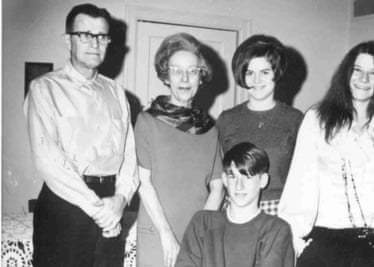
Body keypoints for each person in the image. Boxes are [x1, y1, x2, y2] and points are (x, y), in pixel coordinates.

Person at [278, 40, 374, 266]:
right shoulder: (317, 120)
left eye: (373, 73)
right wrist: (294, 235)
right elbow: (300, 180)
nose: (364, 79)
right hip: (329, 241)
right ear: (346, 74)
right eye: (358, 70)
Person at [24, 3, 139, 267]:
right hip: (66, 202)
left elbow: (129, 154)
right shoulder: (44, 89)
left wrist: (121, 200)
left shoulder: (116, 93)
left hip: (112, 203)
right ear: (68, 41)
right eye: (85, 35)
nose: (94, 43)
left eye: (102, 36)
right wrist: (99, 210)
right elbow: (48, 161)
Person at [134, 32, 225, 267]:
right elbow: (143, 184)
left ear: (201, 77)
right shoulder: (147, 121)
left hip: (197, 235)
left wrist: (197, 236)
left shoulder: (210, 130)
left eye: (192, 71)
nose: (184, 78)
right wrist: (166, 235)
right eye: (176, 70)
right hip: (158, 232)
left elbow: (217, 188)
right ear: (166, 76)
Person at [216, 34, 303, 215]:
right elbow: (219, 176)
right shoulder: (226, 119)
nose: (257, 80)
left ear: (276, 74)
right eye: (250, 73)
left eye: (265, 72)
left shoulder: (295, 119)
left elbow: (303, 176)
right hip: (236, 210)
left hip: (281, 211)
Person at [175, 142, 295, 267]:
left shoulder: (276, 230)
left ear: (263, 180)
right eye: (233, 176)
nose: (239, 186)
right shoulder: (202, 223)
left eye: (248, 177)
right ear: (225, 179)